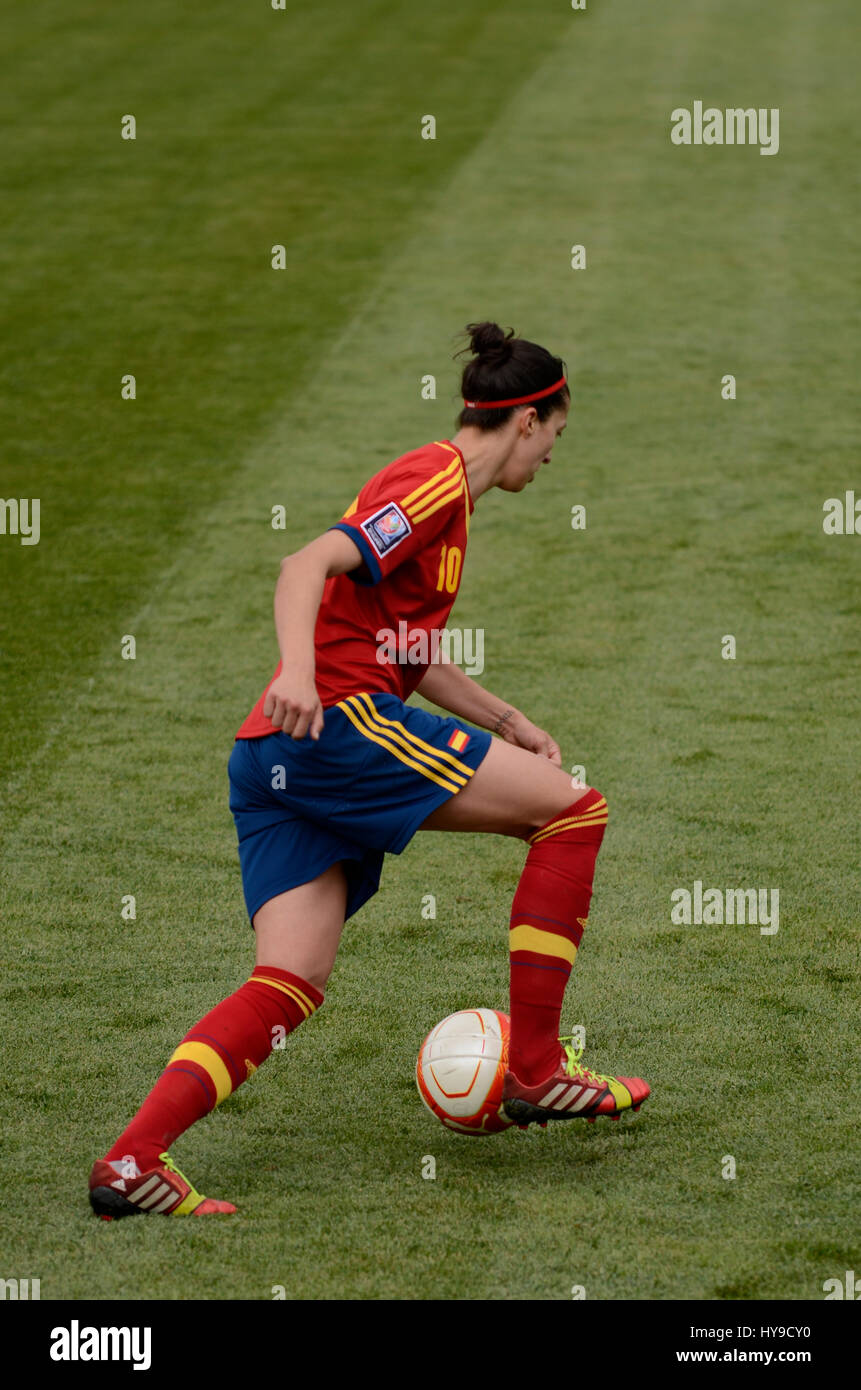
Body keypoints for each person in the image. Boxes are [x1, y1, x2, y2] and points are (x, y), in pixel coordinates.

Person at [88, 321, 649, 1219]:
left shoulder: (451, 505)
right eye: (554, 435)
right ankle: (537, 1068)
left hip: (271, 757)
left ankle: (130, 1162)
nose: (551, 457)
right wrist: (299, 672)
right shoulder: (434, 479)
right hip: (335, 729)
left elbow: (403, 649)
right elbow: (304, 562)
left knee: (290, 980)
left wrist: (507, 720)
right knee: (573, 812)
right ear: (527, 420)